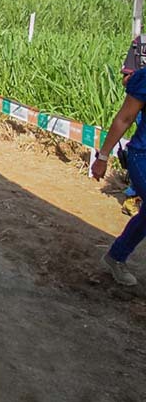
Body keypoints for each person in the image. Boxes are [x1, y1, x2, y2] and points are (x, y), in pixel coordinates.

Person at [92, 67, 146, 287]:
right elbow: (125, 118)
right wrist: (103, 157)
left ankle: (115, 257)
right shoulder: (144, 79)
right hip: (142, 156)